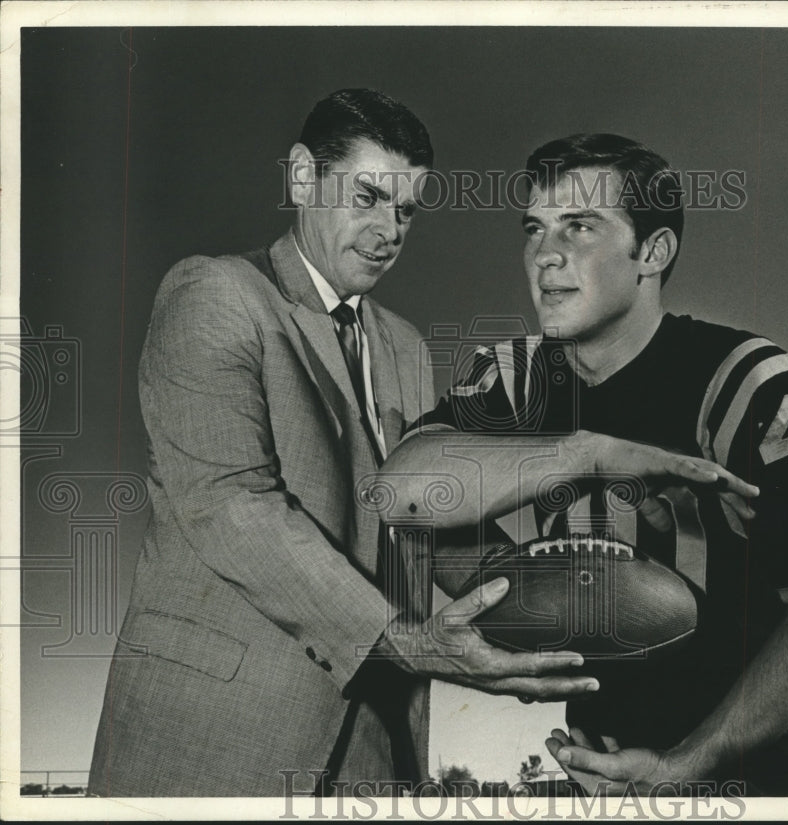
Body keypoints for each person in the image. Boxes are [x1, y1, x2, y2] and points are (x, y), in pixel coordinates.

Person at [88, 91, 608, 798]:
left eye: (406, 210)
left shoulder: (406, 348)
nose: (388, 229)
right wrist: (413, 643)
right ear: (303, 178)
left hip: (377, 748)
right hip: (212, 741)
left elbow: (433, 524)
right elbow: (234, 508)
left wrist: (565, 604)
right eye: (368, 196)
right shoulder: (214, 294)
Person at [377, 133, 788, 796]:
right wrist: (585, 453)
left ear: (653, 252)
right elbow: (399, 491)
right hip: (606, 768)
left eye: (580, 226)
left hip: (772, 777)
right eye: (534, 228)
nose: (545, 255)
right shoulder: (517, 380)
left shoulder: (750, 385)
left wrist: (685, 763)